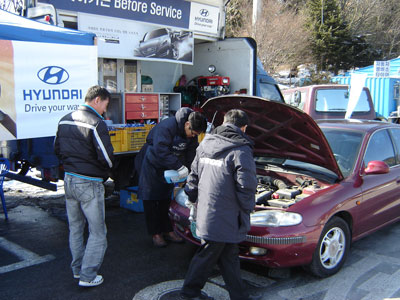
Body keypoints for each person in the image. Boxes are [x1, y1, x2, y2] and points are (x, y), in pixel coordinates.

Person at [180, 109, 258, 300]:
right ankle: (189, 293)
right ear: (244, 128)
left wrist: (191, 198)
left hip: (208, 212)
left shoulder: (205, 143)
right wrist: (248, 208)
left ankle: (240, 296)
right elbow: (246, 187)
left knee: (228, 257)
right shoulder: (241, 150)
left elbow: (193, 177)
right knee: (207, 255)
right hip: (227, 216)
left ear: (224, 122)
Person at [54, 85, 114, 287]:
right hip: (89, 183)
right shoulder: (97, 123)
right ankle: (88, 276)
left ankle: (78, 270)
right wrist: (105, 173)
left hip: (69, 180)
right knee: (98, 232)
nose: (105, 110)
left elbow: (57, 149)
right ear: (97, 100)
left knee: (76, 229)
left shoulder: (65, 119)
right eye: (105, 104)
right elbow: (107, 158)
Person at [135, 107, 207, 248]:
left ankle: (168, 230)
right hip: (152, 163)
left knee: (165, 198)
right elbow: (160, 150)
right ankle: (155, 233)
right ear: (187, 124)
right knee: (150, 200)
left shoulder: (192, 132)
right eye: (192, 133)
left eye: (196, 134)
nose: (193, 136)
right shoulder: (167, 126)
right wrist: (178, 166)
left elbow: (191, 153)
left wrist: (189, 171)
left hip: (170, 165)